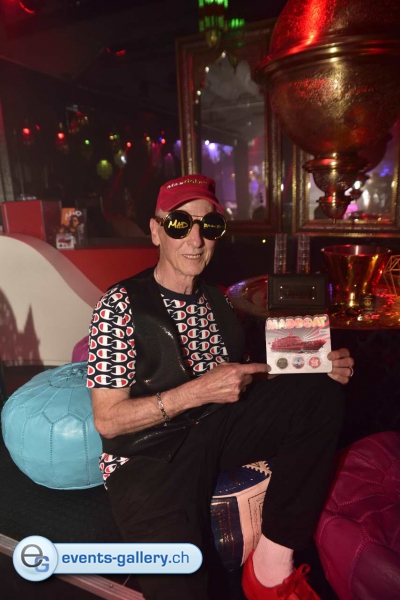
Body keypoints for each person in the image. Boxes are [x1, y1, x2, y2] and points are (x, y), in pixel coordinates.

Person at [87, 174, 354, 600]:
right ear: (156, 231)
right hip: (147, 453)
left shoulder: (220, 300)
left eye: (208, 226)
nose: (195, 240)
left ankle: (271, 566)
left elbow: (240, 376)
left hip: (214, 427)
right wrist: (197, 391)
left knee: (320, 393)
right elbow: (108, 420)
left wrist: (317, 365)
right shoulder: (119, 304)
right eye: (180, 225)